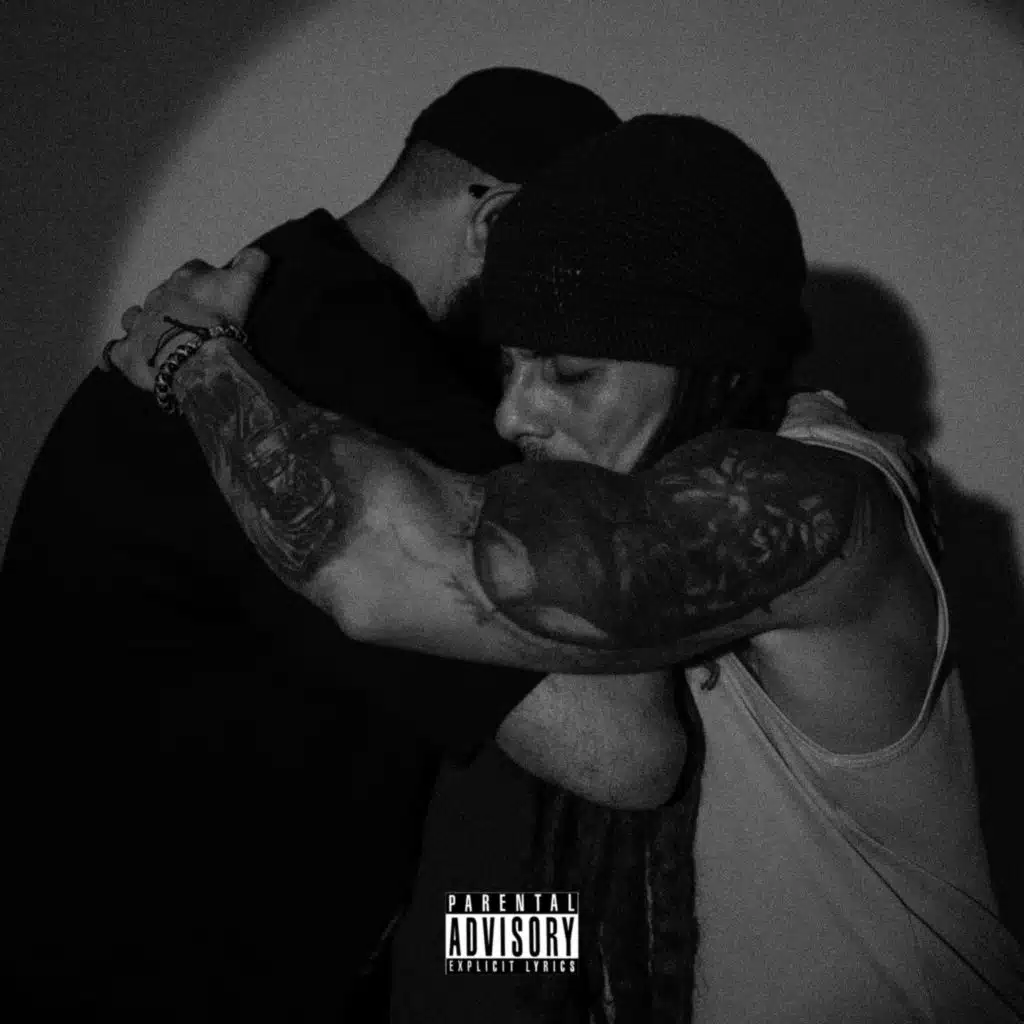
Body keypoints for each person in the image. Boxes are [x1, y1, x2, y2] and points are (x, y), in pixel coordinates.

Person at [111, 113, 1024, 1022]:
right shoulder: (618, 517)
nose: (513, 416)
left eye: (571, 372)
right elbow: (590, 908)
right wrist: (434, 954)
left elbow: (378, 568)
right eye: (509, 367)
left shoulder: (822, 501)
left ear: (713, 365)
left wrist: (193, 357)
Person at [0, 69, 685, 1022]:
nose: (531, 388)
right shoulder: (355, 364)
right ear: (500, 222)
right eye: (570, 294)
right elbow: (622, 749)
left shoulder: (296, 307)